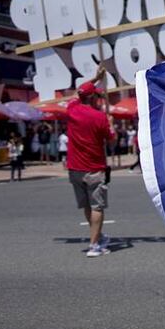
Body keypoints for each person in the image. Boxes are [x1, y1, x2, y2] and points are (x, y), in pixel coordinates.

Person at [67, 67, 115, 258]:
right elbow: (111, 139)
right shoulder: (100, 117)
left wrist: (95, 78)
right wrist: (110, 123)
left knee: (87, 206)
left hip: (75, 167)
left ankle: (98, 236)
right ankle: (94, 245)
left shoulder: (72, 109)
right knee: (97, 207)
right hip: (94, 168)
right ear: (94, 98)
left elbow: (76, 91)